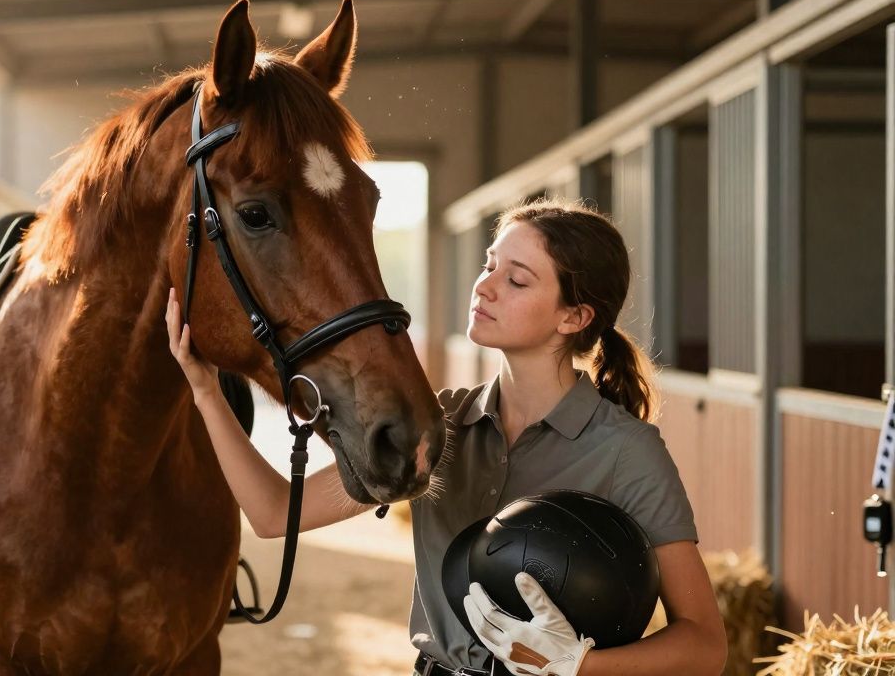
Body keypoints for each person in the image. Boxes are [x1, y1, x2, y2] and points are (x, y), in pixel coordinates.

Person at [164, 197, 728, 676]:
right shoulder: (440, 425)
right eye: (490, 265)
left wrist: (577, 667)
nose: (485, 286)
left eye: (517, 279)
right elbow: (272, 514)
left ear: (574, 318)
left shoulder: (628, 450)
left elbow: (706, 643)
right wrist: (208, 392)